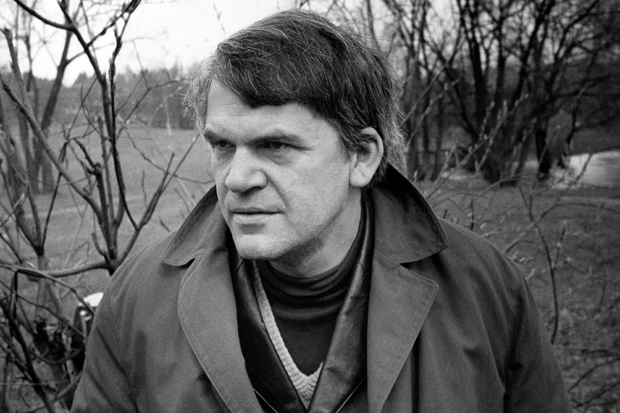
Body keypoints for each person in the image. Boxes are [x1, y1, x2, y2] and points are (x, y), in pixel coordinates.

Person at [71, 9, 571, 413]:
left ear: (362, 156)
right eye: (222, 145)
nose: (237, 179)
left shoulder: (485, 291)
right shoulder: (138, 301)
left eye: (275, 146)